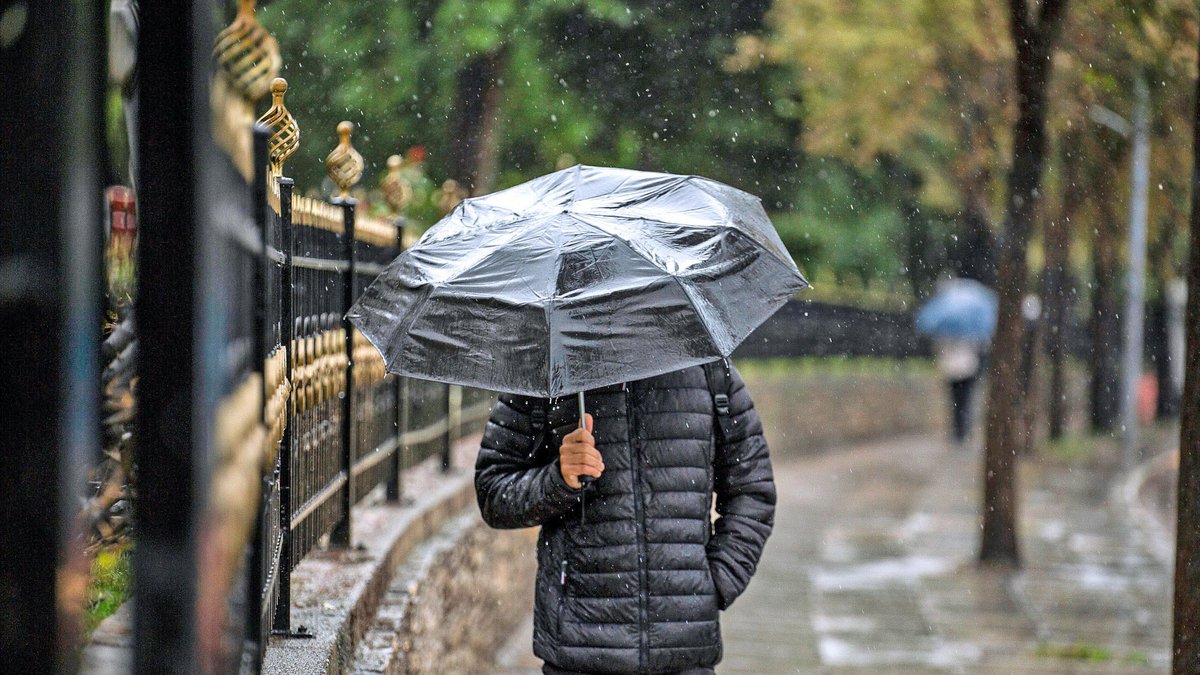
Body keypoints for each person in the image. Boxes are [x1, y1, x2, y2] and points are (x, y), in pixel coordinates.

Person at [475, 360, 775, 674]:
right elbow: (493, 492)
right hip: (580, 647)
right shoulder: (548, 369)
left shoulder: (707, 367)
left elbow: (752, 490)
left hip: (682, 651)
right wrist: (558, 480)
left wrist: (715, 581)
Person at [933, 336, 987, 444]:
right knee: (965, 400)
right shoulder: (970, 333)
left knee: (956, 402)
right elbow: (979, 348)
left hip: (953, 371)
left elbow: (940, 350)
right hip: (967, 369)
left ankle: (959, 429)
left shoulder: (945, 333)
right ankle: (964, 428)